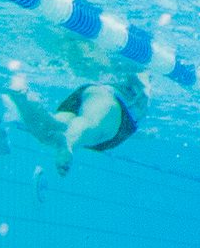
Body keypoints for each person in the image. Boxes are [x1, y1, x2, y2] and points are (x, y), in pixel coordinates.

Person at [8, 74, 148, 176]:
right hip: (117, 103)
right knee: (89, 128)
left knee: (51, 131)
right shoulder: (118, 129)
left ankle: (24, 101)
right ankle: (69, 143)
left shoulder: (126, 126)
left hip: (95, 92)